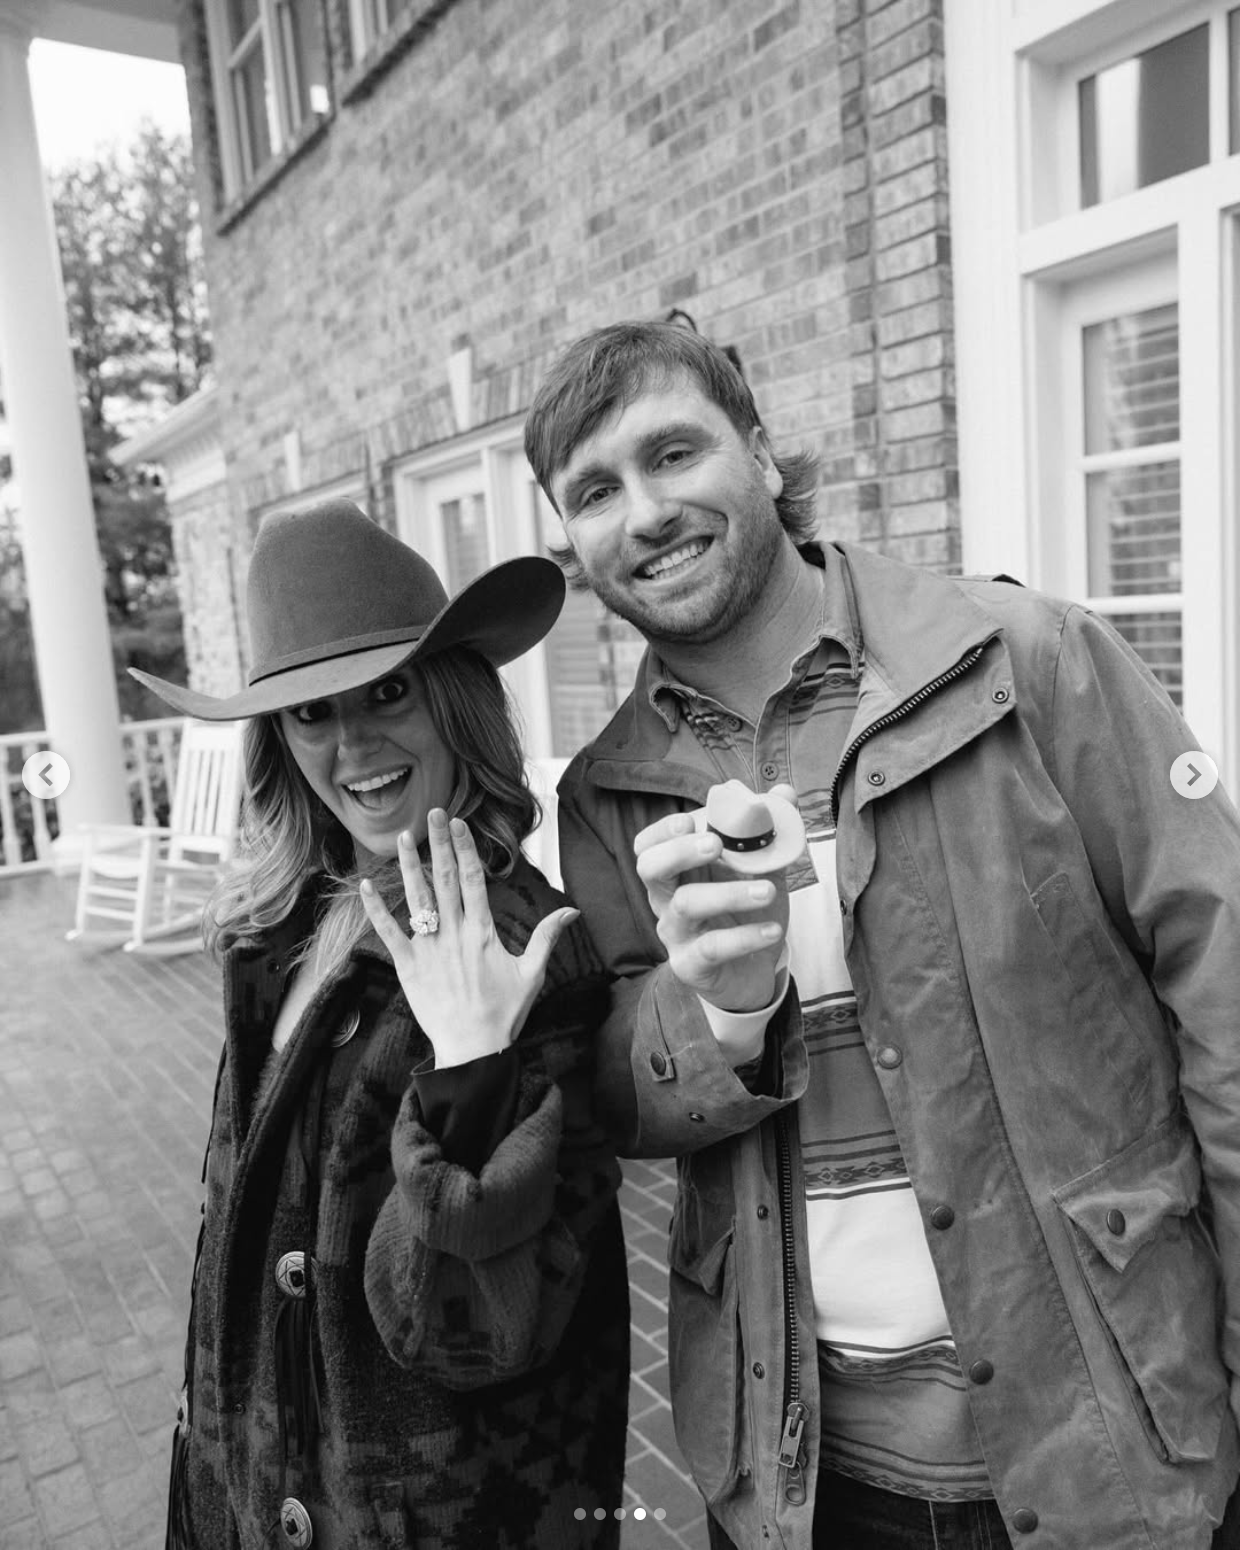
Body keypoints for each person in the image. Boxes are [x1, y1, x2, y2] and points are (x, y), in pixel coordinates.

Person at [521, 320, 1240, 1550]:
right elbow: (616, 1103)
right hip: (807, 1480)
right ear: (572, 541)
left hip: (1112, 1439)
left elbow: (1223, 991)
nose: (642, 511)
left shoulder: (1022, 660)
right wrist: (725, 1010)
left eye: (673, 452)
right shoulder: (606, 793)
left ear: (756, 445)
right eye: (594, 490)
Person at [131, 498, 629, 1550]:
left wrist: (471, 1070)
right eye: (311, 712)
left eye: (388, 690)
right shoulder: (285, 925)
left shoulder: (525, 947)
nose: (353, 743)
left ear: (452, 697)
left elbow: (471, 1331)